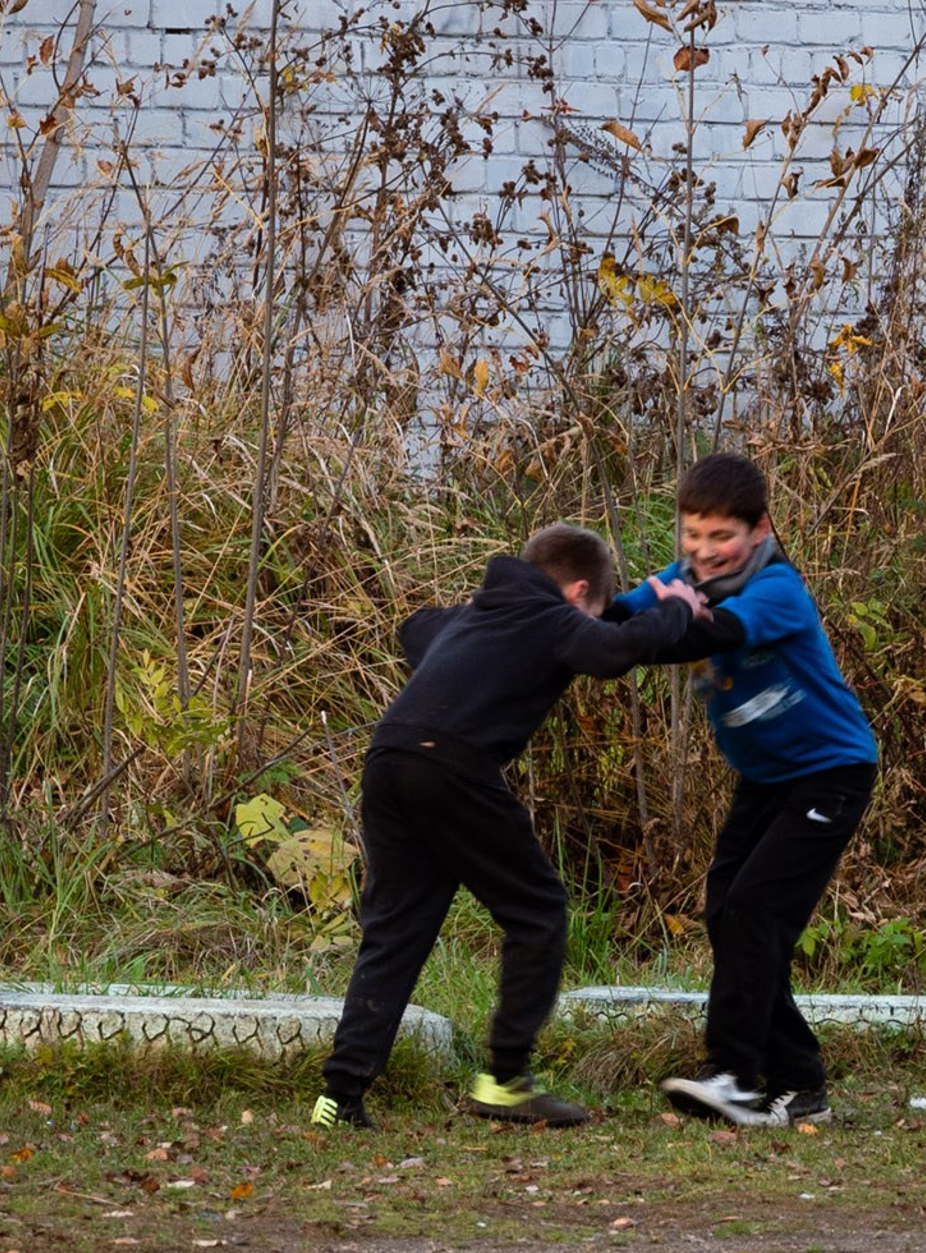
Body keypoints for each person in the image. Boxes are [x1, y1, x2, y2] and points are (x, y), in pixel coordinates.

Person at [314, 526, 702, 1132]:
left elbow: (414, 628)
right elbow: (610, 654)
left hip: (389, 759)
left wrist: (468, 620)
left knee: (395, 930)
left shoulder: (485, 612)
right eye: (592, 611)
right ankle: (505, 1080)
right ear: (577, 591)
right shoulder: (552, 620)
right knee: (538, 911)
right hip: (451, 763)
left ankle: (339, 1095)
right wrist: (677, 608)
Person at [616, 452, 879, 1130]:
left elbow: (714, 631)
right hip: (765, 780)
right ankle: (798, 1080)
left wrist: (665, 623)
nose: (704, 553)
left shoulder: (777, 588)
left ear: (758, 530)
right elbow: (622, 615)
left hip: (831, 772)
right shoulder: (682, 580)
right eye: (692, 536)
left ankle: (733, 1075)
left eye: (720, 537)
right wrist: (556, 612)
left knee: (756, 912)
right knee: (730, 915)